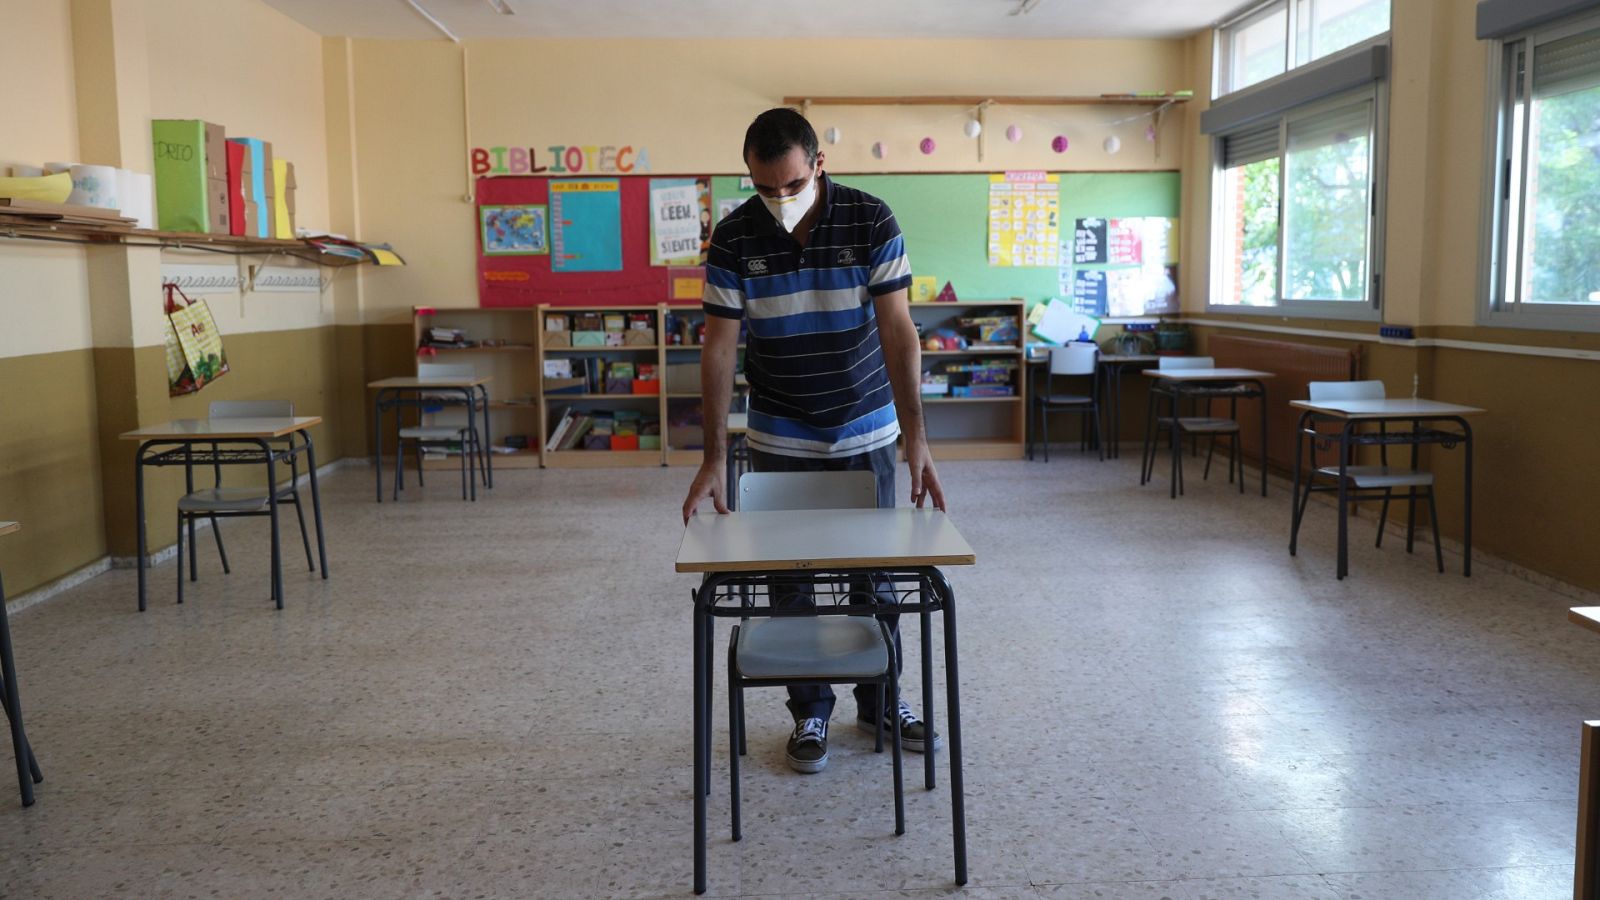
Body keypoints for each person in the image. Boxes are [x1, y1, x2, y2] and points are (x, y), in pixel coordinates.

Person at [680, 107, 947, 774]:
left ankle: (881, 700)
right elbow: (718, 349)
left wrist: (917, 439)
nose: (778, 200)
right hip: (780, 435)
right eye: (763, 187)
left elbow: (898, 331)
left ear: (819, 165)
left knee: (876, 581)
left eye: (791, 184)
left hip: (866, 430)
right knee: (791, 588)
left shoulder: (870, 219)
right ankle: (811, 712)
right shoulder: (736, 236)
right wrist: (714, 456)